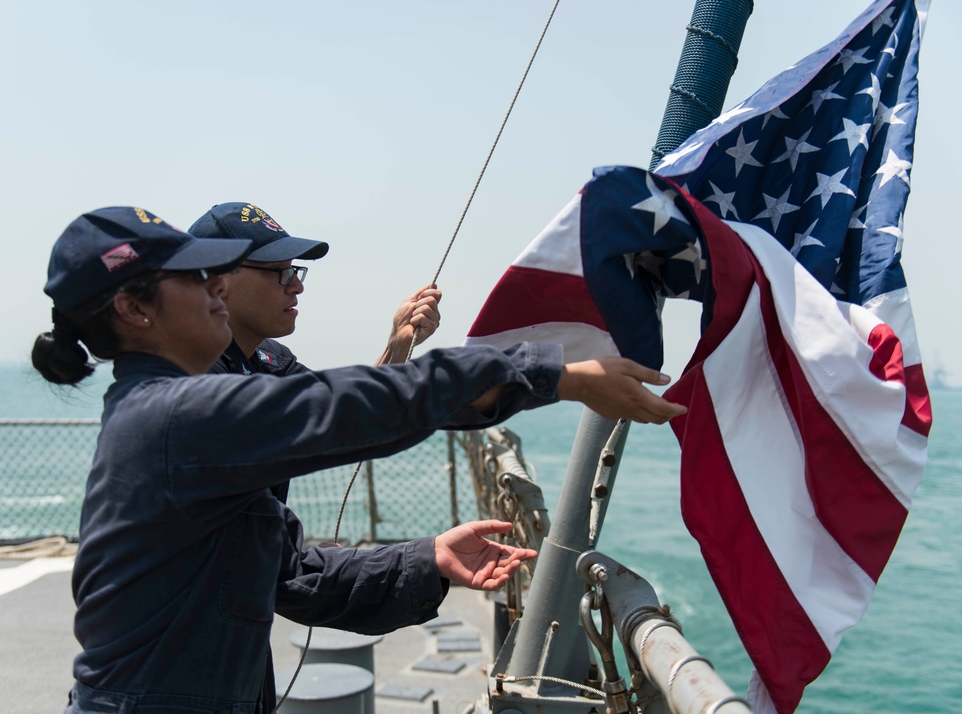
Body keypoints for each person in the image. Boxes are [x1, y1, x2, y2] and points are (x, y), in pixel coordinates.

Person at [33, 206, 687, 713]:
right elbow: (350, 406)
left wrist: (426, 561)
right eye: (193, 276)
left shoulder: (173, 414)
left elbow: (288, 572)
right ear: (133, 308)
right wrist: (551, 375)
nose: (214, 291)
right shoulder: (173, 418)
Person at [187, 201, 442, 377]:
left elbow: (345, 415)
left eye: (295, 271)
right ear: (217, 282)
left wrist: (397, 346)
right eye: (280, 272)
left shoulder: (270, 358)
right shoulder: (190, 370)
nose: (297, 287)